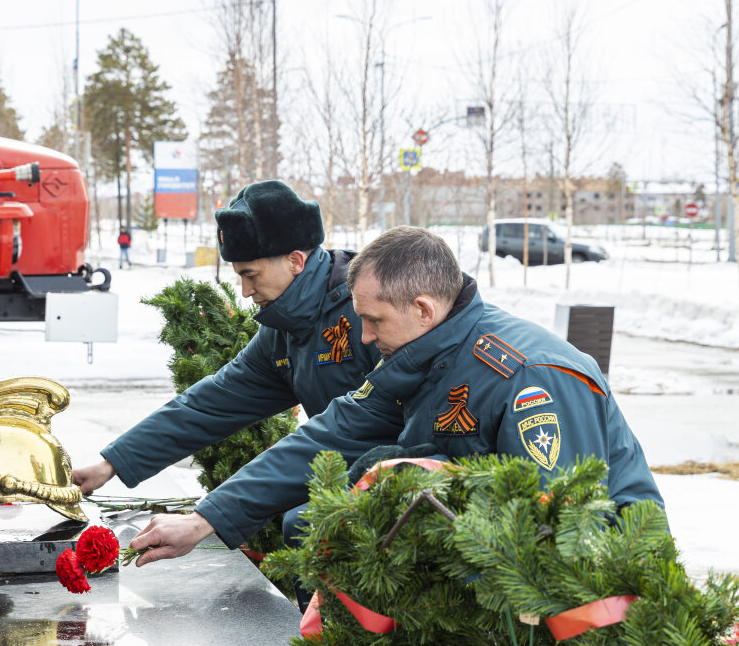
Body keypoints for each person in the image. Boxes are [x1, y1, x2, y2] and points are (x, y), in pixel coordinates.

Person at [125, 226, 663, 572]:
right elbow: (330, 434)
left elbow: (562, 532)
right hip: (477, 547)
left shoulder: (530, 377)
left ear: (423, 309)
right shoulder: (417, 356)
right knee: (311, 523)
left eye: (373, 320)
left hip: (591, 580)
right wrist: (207, 519)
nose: (363, 336)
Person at [73, 179, 383, 527]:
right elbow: (212, 403)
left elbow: (361, 426)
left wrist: (206, 519)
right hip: (350, 472)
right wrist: (111, 464)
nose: (246, 291)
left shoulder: (366, 309)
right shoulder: (281, 330)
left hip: (405, 472)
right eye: (239, 276)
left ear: (295, 261)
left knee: (302, 525)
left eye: (251, 274)